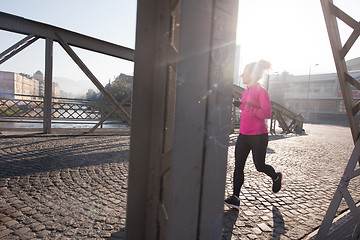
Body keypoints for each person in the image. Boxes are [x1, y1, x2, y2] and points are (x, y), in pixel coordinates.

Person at [224, 59, 282, 210]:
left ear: (253, 74)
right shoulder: (245, 92)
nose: (242, 75)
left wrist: (245, 107)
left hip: (258, 136)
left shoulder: (262, 92)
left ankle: (276, 177)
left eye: (245, 73)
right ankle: (235, 197)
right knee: (238, 166)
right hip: (243, 135)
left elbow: (267, 113)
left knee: (260, 166)